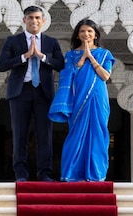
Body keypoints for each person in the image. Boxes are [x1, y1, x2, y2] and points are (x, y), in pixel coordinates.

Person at [0, 5, 64, 182]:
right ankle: (21, 174)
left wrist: (42, 56)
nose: (34, 21)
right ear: (24, 20)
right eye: (30, 18)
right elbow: (2, 65)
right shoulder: (13, 41)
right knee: (20, 134)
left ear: (43, 21)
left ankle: (45, 174)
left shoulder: (51, 42)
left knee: (45, 134)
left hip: (44, 92)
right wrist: (24, 56)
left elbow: (60, 64)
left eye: (37, 18)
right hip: (20, 92)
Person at [49, 19, 115, 182]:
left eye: (90, 31)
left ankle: (96, 174)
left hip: (97, 97)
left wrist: (90, 57)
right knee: (76, 132)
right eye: (82, 31)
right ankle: (72, 173)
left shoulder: (104, 54)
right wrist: (81, 59)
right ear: (77, 35)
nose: (86, 34)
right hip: (78, 96)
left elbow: (105, 76)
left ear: (95, 34)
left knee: (98, 132)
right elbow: (67, 75)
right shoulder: (71, 55)